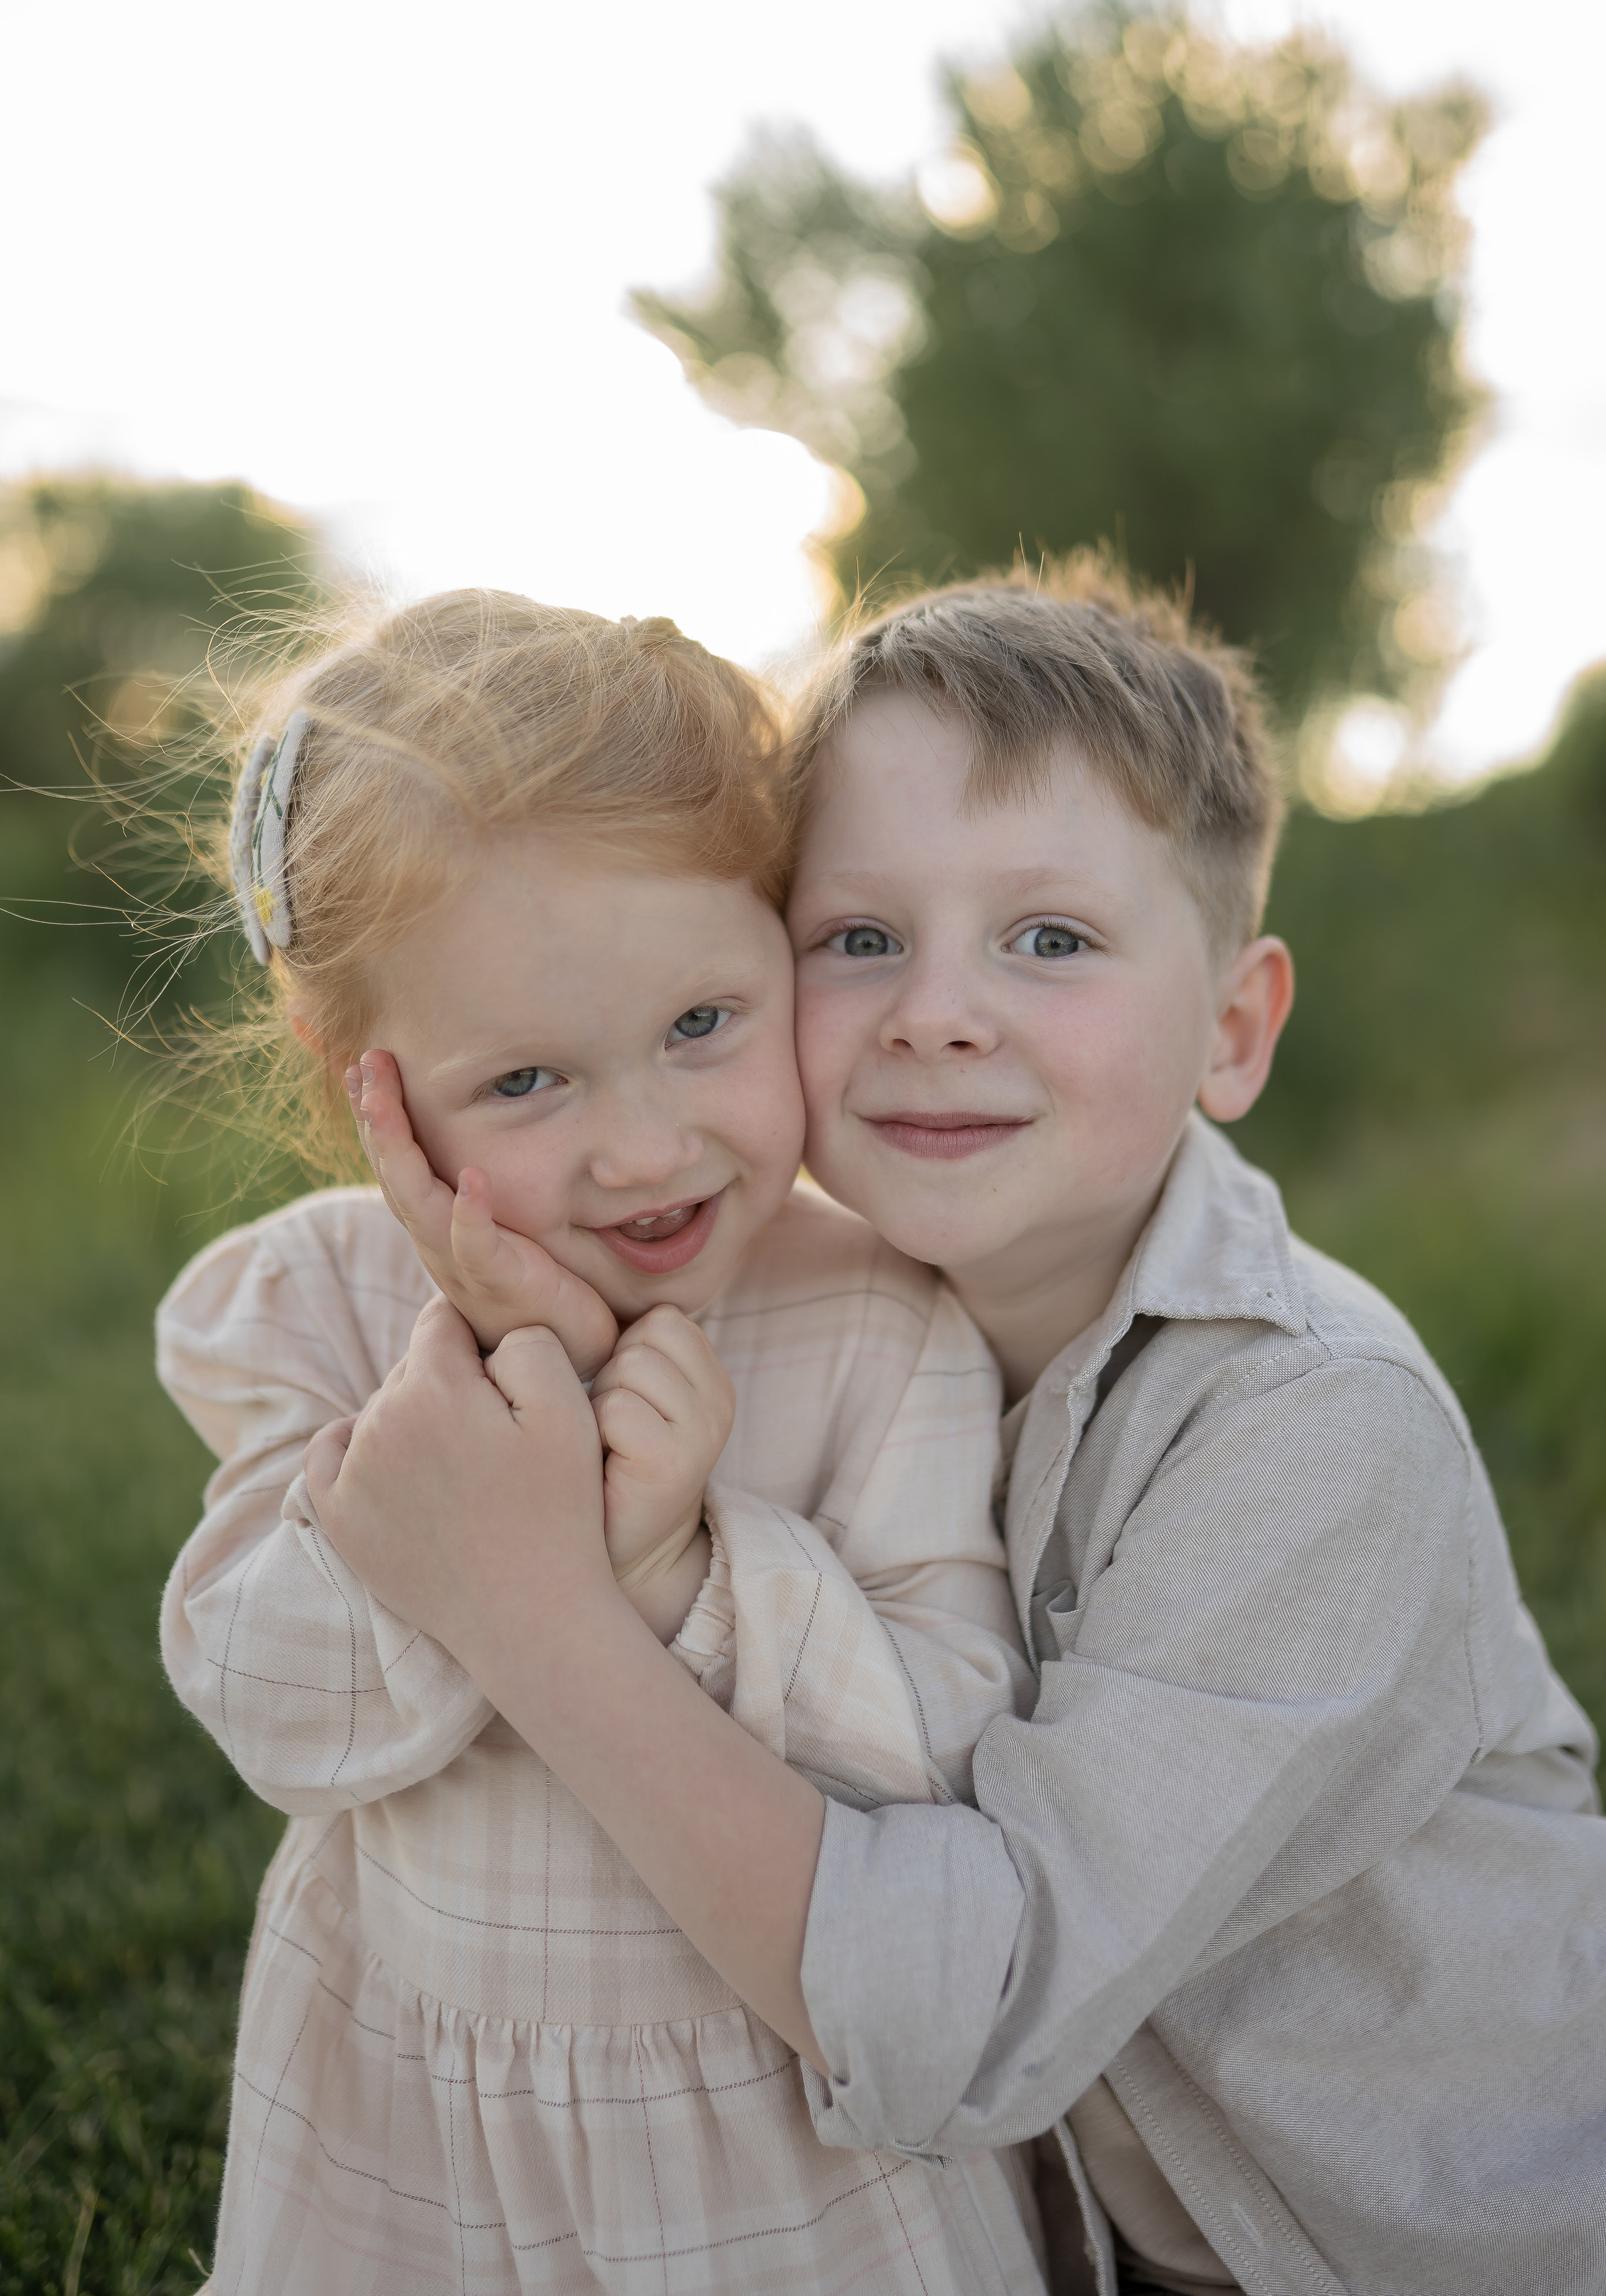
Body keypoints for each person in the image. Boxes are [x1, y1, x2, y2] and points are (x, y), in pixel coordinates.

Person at [306, 561, 1606, 2296]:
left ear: (1233, 1029)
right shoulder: (797, 1312)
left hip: (1449, 2245)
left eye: (1049, 939)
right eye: (860, 939)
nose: (936, 1009)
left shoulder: (1314, 1434)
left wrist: (530, 1610)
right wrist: (511, 1282)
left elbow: (966, 2018)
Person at [156, 589, 1050, 2294]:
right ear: (365, 1080)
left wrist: (677, 1570)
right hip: (421, 2136)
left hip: (779, 2154)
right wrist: (494, 1389)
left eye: (703, 1028)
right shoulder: (319, 1309)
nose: (646, 1152)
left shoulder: (876, 1317)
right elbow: (279, 1713)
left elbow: (941, 1757)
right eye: (527, 1086)